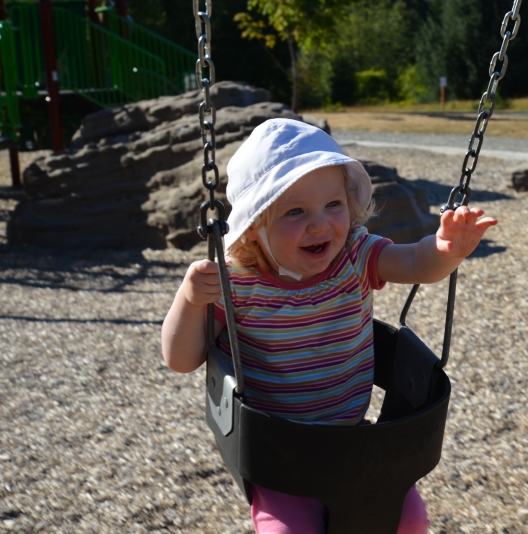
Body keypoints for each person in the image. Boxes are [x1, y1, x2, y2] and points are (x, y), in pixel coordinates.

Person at [161, 118, 497, 534]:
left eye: (333, 204)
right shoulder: (236, 284)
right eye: (295, 211)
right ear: (254, 227)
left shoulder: (355, 255)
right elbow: (180, 359)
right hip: (278, 456)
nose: (319, 225)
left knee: (410, 521)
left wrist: (445, 251)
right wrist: (190, 299)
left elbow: (415, 263)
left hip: (352, 441)